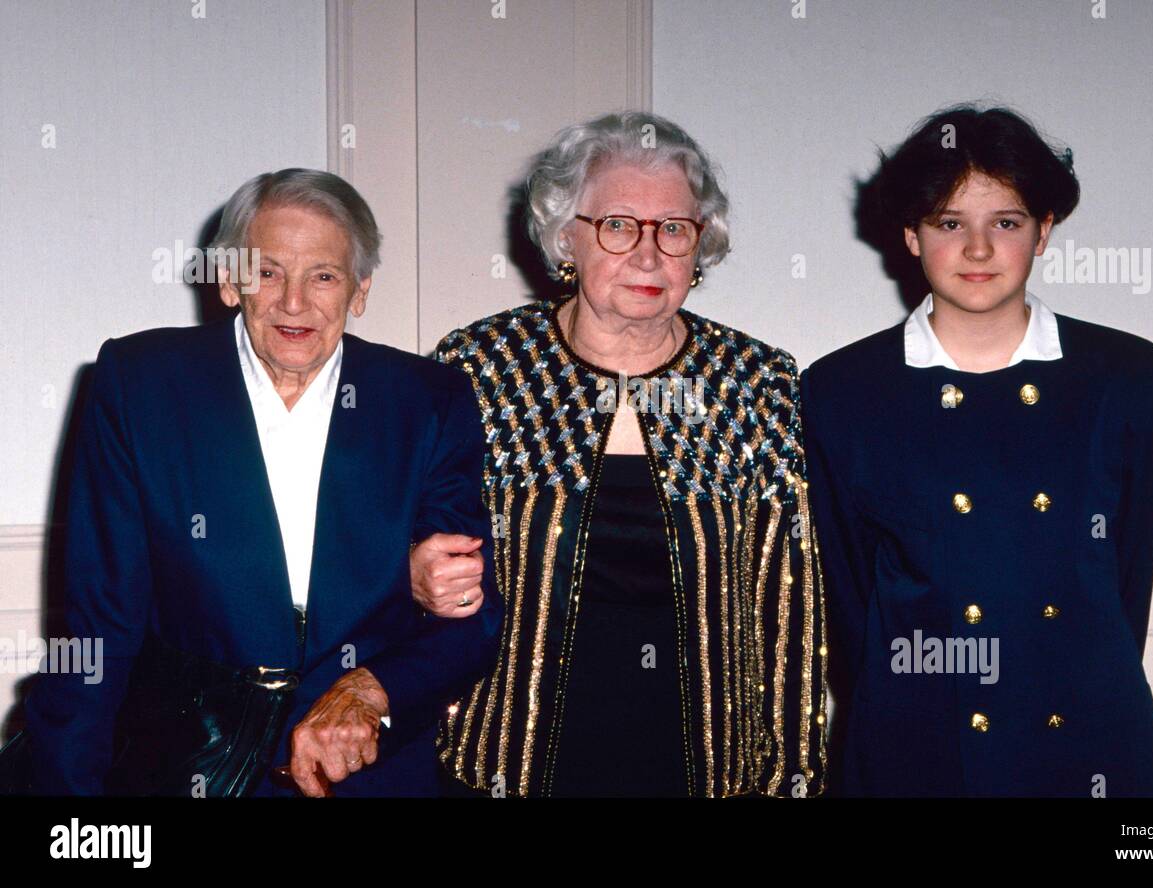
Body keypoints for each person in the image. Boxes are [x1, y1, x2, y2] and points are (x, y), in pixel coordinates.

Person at [22, 168, 500, 797]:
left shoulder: (427, 400)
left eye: (323, 276)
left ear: (360, 291)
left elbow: (468, 614)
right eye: (267, 272)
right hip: (187, 765)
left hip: (364, 773)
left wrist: (373, 690)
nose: (293, 302)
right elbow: (99, 627)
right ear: (228, 280)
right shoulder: (141, 385)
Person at [411, 111, 828, 797]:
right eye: (617, 226)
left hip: (704, 766)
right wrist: (411, 568)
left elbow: (790, 605)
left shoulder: (753, 380)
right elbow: (398, 530)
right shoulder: (483, 366)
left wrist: (791, 780)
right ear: (563, 239)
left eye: (673, 230)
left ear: (701, 247)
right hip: (504, 762)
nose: (648, 254)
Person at [803, 105, 1153, 797]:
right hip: (914, 736)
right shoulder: (841, 391)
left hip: (1088, 733)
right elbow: (851, 601)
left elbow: (1129, 575)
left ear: (1044, 231)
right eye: (950, 223)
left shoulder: (1125, 375)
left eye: (1005, 222)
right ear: (911, 235)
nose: (978, 249)